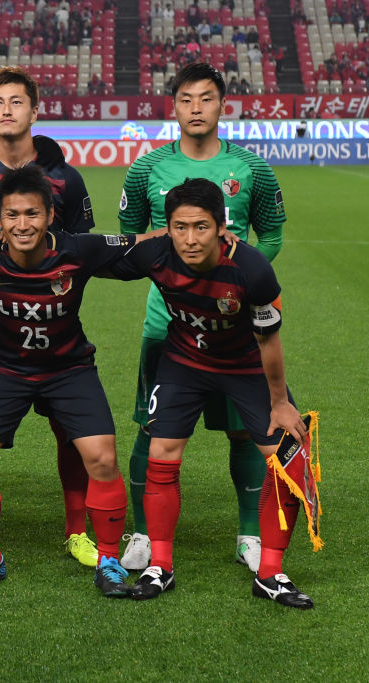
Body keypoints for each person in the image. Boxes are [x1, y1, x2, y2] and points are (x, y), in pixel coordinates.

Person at [0, 165, 159, 595]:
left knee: (102, 458)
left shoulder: (78, 249)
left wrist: (197, 233)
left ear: (49, 216)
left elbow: (137, 242)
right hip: (7, 370)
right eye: (12, 215)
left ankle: (109, 563)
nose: (22, 224)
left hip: (70, 370)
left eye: (32, 213)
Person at [108, 178, 312, 609]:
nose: (190, 239)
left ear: (222, 227)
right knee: (162, 450)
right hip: (183, 361)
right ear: (167, 228)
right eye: (179, 227)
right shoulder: (156, 252)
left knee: (289, 458)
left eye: (201, 227)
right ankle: (160, 566)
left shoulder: (252, 270)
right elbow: (94, 253)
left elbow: (268, 341)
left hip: (245, 366)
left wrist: (280, 403)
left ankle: (270, 574)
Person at [118, 62, 285, 573]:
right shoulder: (146, 169)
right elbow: (132, 238)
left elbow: (272, 234)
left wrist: (233, 278)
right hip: (166, 326)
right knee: (153, 429)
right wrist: (181, 282)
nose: (196, 108)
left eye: (206, 98)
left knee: (246, 432)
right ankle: (143, 534)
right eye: (186, 99)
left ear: (222, 105)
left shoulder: (252, 169)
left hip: (237, 328)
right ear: (174, 106)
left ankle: (249, 534)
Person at [0, 66, 98, 568]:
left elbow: (80, 253)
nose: (7, 111)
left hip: (53, 331)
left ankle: (77, 530)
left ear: (34, 110)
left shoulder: (65, 178)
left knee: (71, 432)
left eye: (17, 102)